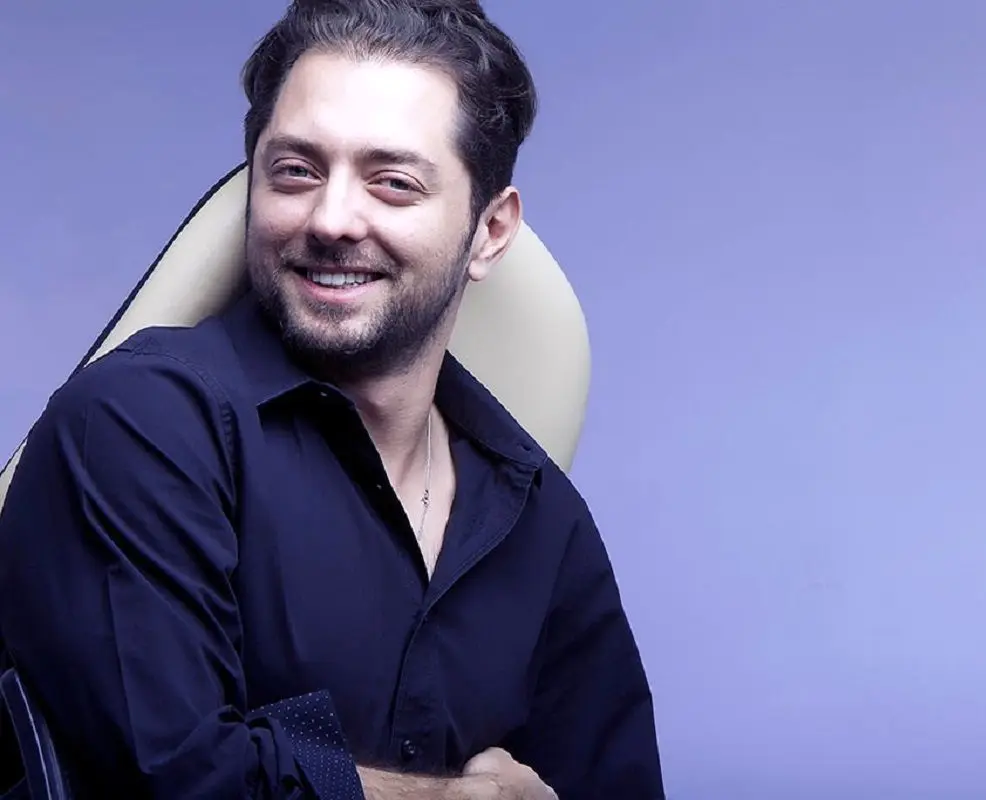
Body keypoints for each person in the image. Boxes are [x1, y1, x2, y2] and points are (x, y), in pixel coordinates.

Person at [0, 1, 664, 798]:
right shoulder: (136, 424)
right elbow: (172, 776)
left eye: (392, 183)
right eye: (296, 171)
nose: (331, 219)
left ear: (490, 232)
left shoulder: (540, 515)